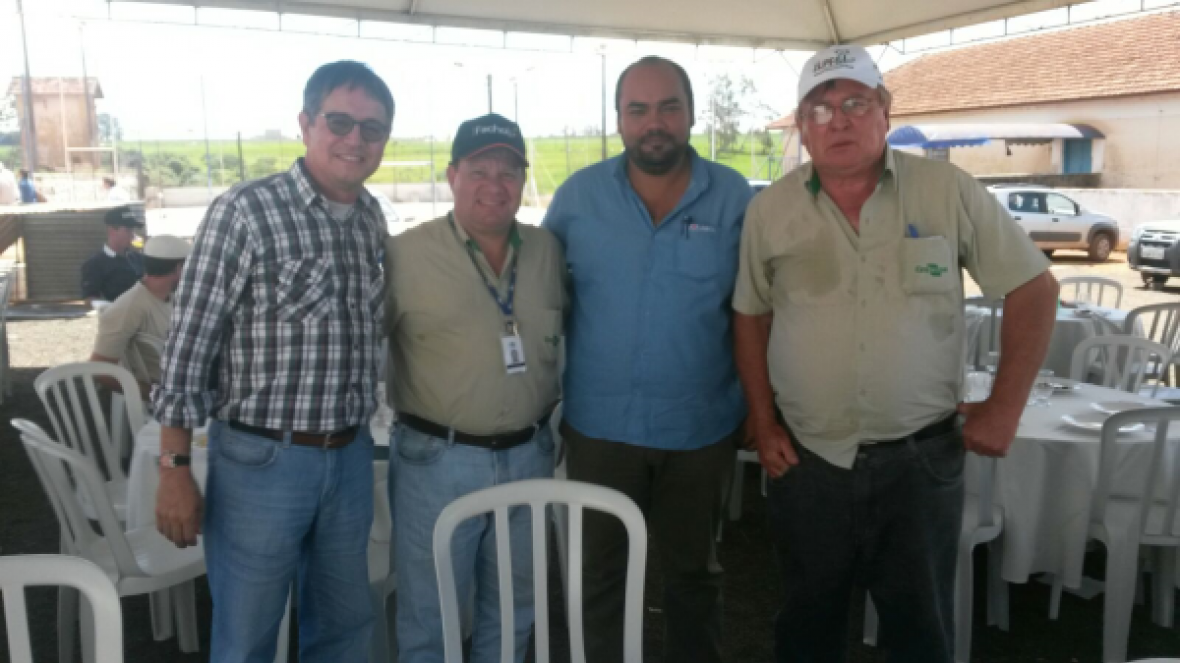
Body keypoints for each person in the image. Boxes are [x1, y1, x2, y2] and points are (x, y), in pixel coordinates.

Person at [732, 45, 1059, 663]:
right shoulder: (770, 211)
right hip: (808, 460)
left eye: (855, 102)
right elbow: (751, 314)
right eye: (820, 110)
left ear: (885, 110)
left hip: (920, 459)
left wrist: (1004, 408)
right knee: (807, 622)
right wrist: (764, 418)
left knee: (919, 627)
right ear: (802, 128)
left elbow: (1034, 288)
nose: (839, 120)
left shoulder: (946, 190)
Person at [152, 60, 394, 663]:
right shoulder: (245, 211)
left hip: (350, 456)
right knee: (249, 635)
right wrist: (174, 466)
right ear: (306, 123)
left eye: (373, 128)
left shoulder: (370, 218)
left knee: (344, 627)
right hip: (262, 462)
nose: (355, 140)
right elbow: (188, 347)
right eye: (340, 121)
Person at [542, 56, 750, 663]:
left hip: (700, 428)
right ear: (618, 120)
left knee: (693, 575)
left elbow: (757, 309)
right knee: (601, 575)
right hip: (601, 430)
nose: (653, 122)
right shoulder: (578, 198)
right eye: (638, 109)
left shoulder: (734, 197)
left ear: (689, 113)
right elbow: (546, 293)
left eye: (668, 107)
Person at [385, 112, 565, 663]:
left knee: (515, 612)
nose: (495, 184)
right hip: (436, 461)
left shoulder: (547, 251)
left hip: (529, 453)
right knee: (429, 616)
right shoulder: (403, 255)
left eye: (508, 171)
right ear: (451, 175)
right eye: (479, 169)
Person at [89, 234, 191, 397]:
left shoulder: (171, 297)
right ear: (179, 268)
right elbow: (100, 369)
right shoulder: (130, 306)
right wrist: (154, 395)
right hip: (170, 396)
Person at [80, 206, 145, 305]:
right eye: (128, 230)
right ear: (112, 231)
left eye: (132, 230)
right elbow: (90, 299)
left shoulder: (138, 259)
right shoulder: (95, 264)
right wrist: (112, 308)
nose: (132, 235)